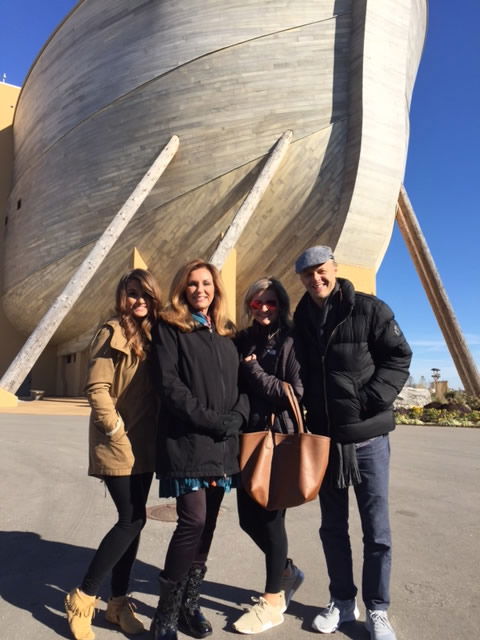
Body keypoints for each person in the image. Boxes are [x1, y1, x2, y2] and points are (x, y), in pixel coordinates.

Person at [293, 246, 412, 640]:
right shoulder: (303, 317)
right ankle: (343, 602)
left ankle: (378, 610)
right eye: (308, 274)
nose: (316, 279)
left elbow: (399, 357)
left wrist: (367, 403)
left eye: (321, 271)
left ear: (335, 269)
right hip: (326, 441)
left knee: (377, 531)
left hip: (367, 439)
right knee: (333, 528)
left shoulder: (369, 309)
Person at [151, 259, 248, 640]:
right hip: (188, 440)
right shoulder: (171, 327)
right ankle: (165, 614)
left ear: (216, 288)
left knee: (207, 524)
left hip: (223, 444)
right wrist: (210, 420)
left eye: (207, 283)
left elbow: (241, 384)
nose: (200, 290)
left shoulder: (226, 332)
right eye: (193, 284)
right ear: (182, 289)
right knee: (191, 520)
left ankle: (190, 605)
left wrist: (238, 416)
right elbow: (169, 385)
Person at [65, 268, 163, 640]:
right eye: (132, 294)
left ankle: (118, 605)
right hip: (119, 439)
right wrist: (114, 428)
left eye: (145, 294)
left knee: (136, 520)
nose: (139, 301)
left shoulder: (156, 334)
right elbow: (97, 387)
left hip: (147, 441)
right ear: (123, 297)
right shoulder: (111, 332)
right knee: (130, 518)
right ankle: (83, 597)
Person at [232, 277, 304, 634]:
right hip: (248, 438)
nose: (263, 308)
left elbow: (293, 390)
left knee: (272, 519)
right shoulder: (245, 339)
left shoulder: (292, 340)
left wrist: (253, 369)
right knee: (247, 518)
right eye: (257, 303)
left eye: (270, 302)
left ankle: (273, 599)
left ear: (282, 304)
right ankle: (287, 571)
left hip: (278, 439)